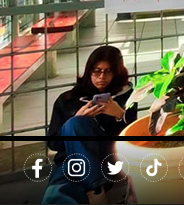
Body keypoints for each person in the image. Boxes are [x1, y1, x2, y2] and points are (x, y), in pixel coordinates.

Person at [43, 46, 136, 205]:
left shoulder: (126, 97)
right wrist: (76, 120)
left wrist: (120, 115)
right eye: (96, 71)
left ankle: (95, 189)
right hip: (73, 161)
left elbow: (133, 140)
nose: (102, 77)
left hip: (107, 159)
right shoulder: (67, 100)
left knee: (75, 126)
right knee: (55, 194)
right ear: (88, 71)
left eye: (108, 71)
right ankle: (95, 190)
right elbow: (53, 143)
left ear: (117, 72)